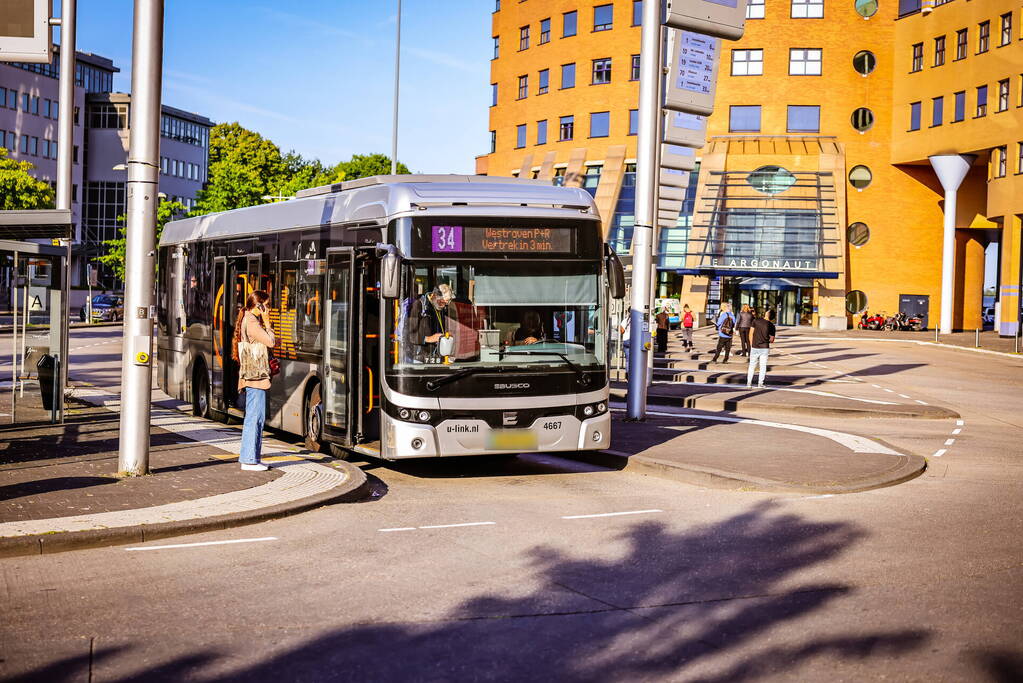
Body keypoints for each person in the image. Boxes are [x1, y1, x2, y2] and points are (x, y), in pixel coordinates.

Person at [233, 290, 276, 471]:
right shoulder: (251, 321)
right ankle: (249, 460)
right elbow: (271, 342)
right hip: (255, 377)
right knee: (254, 418)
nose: (269, 309)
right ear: (258, 306)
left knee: (256, 417)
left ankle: (252, 458)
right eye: (266, 305)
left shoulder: (249, 319)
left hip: (253, 377)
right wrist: (268, 323)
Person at [404, 286, 451, 361]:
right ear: (434, 296)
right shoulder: (418, 305)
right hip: (419, 357)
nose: (443, 305)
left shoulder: (439, 308)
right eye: (442, 302)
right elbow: (410, 334)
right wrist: (428, 339)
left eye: (446, 303)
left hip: (434, 356)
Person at [746, 308, 776, 389]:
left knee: (752, 365)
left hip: (755, 346)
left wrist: (752, 344)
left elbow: (751, 334)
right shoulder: (772, 326)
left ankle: (749, 383)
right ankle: (760, 384)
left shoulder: (756, 321)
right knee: (763, 366)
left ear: (767, 314)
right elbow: (772, 340)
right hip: (765, 347)